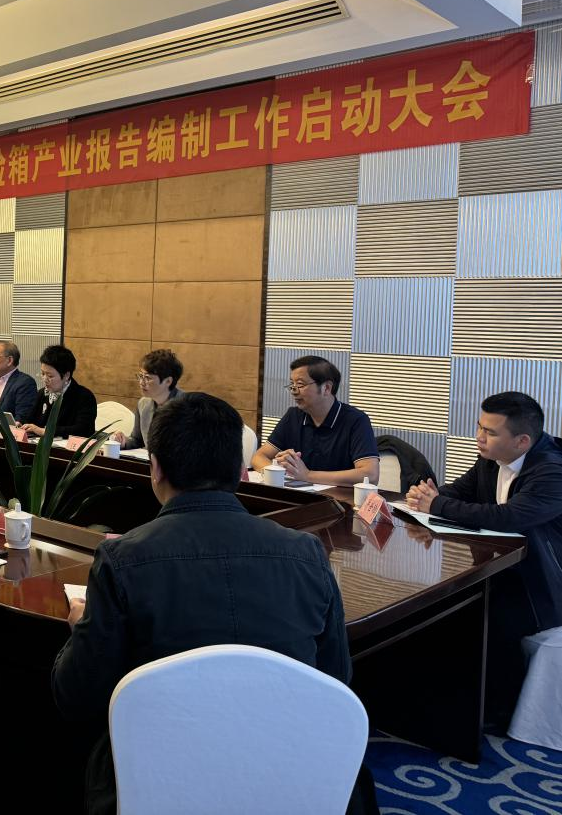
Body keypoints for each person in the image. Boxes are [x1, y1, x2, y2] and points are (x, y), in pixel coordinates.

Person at [52, 393, 361, 815]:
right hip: (286, 772)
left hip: (159, 778)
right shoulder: (307, 553)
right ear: (239, 470)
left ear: (155, 468)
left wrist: (82, 630)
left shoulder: (124, 559)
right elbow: (336, 677)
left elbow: (76, 696)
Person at [406, 391, 562, 721]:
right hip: (502, 569)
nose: (479, 436)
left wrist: (437, 504)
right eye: (479, 426)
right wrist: (427, 495)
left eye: (489, 432)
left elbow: (508, 517)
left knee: (484, 619)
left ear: (522, 441)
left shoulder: (552, 471)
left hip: (541, 584)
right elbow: (459, 492)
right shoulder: (491, 458)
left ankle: (493, 711)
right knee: (441, 608)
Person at [251, 355, 379, 487]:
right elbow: (258, 457)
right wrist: (279, 472)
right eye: (292, 384)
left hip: (336, 498)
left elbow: (370, 475)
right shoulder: (293, 416)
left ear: (326, 388)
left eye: (300, 384)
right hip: (298, 494)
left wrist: (307, 475)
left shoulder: (356, 420)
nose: (294, 391)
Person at [113, 348, 185, 450]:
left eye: (147, 378)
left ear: (168, 381)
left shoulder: (187, 406)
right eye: (140, 376)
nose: (141, 382)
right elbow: (137, 440)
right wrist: (123, 442)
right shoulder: (143, 404)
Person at [23, 344, 97, 438]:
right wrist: (23, 425)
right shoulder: (42, 393)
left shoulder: (84, 397)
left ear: (66, 375)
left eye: (50, 376)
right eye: (43, 373)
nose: (45, 379)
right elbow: (30, 420)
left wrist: (47, 431)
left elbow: (83, 430)